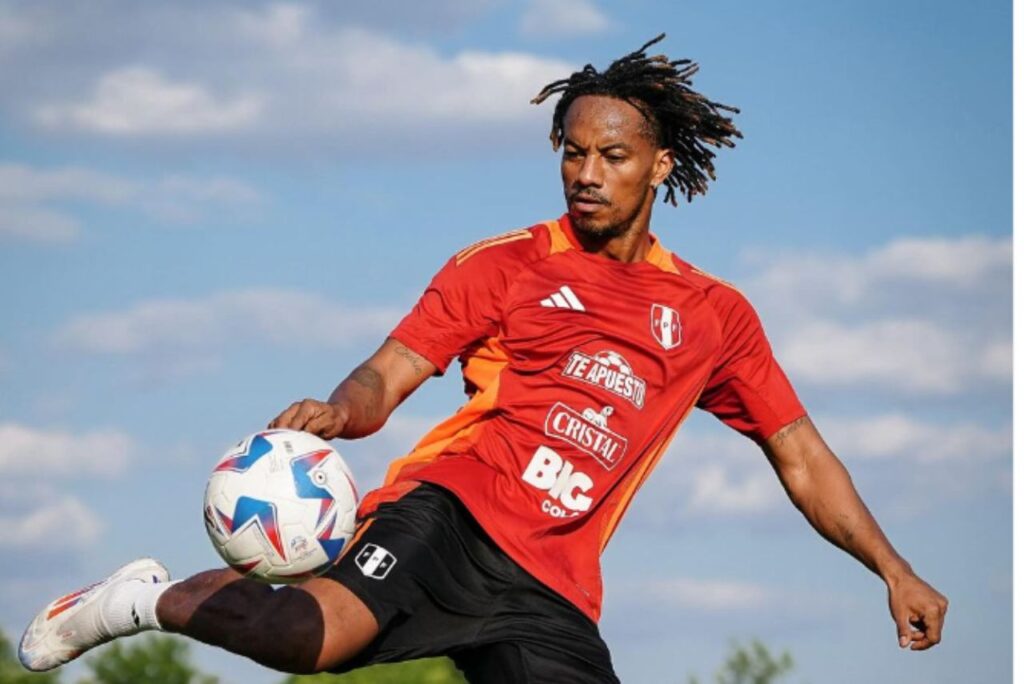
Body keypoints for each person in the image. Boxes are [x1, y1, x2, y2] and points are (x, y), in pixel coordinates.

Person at [18, 35, 947, 682]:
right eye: (573, 152)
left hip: (554, 584)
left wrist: (893, 569)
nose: (587, 174)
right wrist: (342, 413)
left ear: (660, 165)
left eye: (613, 156)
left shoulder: (712, 316)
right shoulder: (505, 265)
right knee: (308, 639)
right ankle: (140, 601)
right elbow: (392, 371)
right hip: (453, 514)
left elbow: (801, 455)